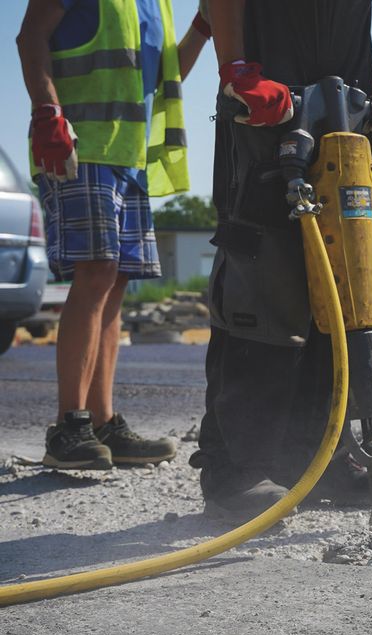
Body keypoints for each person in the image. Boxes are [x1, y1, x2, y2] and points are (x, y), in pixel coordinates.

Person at [191, 0, 372, 519]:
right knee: (263, 265)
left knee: (347, 262)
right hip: (264, 74)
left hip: (352, 84)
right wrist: (235, 69)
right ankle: (237, 469)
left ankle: (327, 458)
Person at [18, 0, 197, 471]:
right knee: (96, 272)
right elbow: (29, 36)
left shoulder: (156, 6)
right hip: (78, 145)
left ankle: (101, 422)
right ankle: (68, 428)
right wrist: (46, 112)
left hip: (127, 156)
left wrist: (203, 26)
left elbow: (164, 81)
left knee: (115, 282)